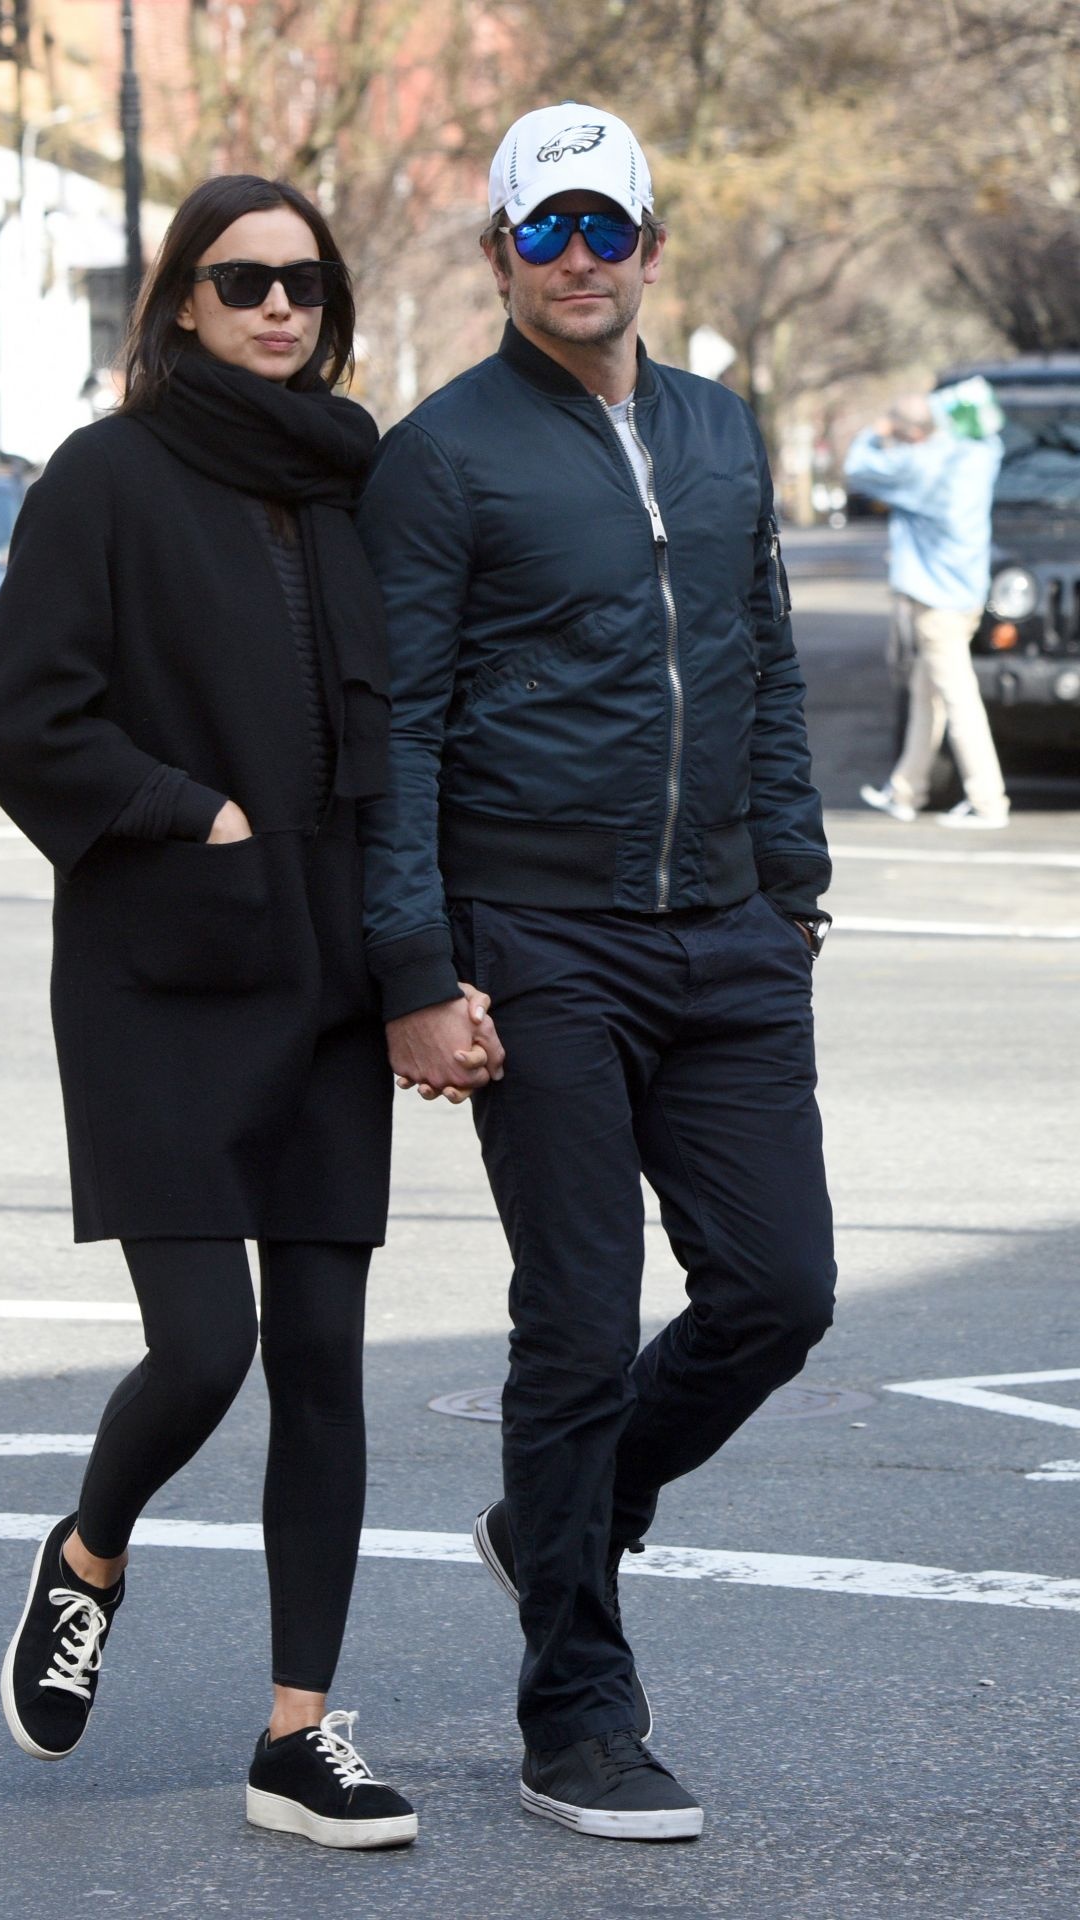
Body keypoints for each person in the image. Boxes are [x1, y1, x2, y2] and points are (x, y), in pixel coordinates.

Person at [0, 174, 490, 1850]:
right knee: (207, 1349)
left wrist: (425, 964)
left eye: (303, 282)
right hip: (166, 969)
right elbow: (23, 718)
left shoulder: (363, 480)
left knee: (327, 1357)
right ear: (181, 304)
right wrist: (189, 813)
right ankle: (89, 1554)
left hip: (334, 970)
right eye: (241, 280)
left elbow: (420, 735)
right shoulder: (105, 476)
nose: (279, 306)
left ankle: (299, 1732)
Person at [355, 103, 837, 1843]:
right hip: (537, 939)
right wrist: (415, 963)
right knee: (575, 1322)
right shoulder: (442, 455)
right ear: (500, 252)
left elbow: (764, 663)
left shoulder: (724, 431)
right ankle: (578, 1709)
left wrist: (794, 890)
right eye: (541, 233)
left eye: (603, 229)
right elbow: (393, 733)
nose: (576, 261)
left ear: (650, 241)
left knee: (781, 1290)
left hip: (725, 936)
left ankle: (564, 1512)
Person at [848, 388, 1008, 828]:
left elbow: (857, 468)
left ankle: (988, 800)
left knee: (959, 700)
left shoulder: (915, 466)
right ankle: (905, 791)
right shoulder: (976, 456)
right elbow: (987, 428)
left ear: (912, 434)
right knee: (927, 695)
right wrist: (932, 415)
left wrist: (877, 430)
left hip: (935, 603)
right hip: (968, 594)